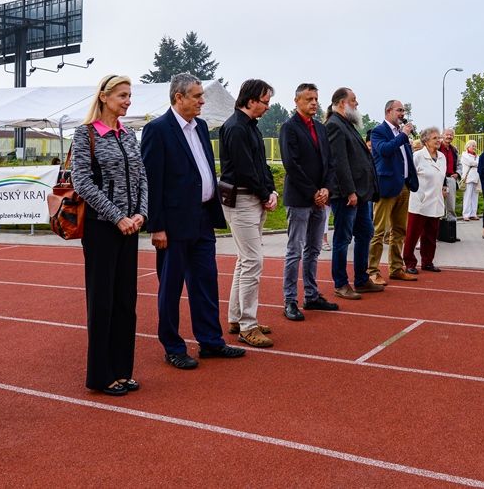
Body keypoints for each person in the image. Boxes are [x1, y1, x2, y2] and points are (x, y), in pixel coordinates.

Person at [141, 73, 246, 370]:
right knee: (171, 288)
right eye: (197, 96)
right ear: (179, 98)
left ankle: (211, 341)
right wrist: (157, 226)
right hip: (173, 225)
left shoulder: (200, 127)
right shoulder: (157, 130)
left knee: (205, 283)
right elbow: (153, 181)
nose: (202, 101)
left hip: (202, 219)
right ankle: (173, 346)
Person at [70, 75, 148, 396]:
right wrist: (118, 217)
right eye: (122, 95)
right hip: (103, 229)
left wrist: (141, 213)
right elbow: (82, 182)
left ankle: (122, 370)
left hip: (132, 228)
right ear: (104, 97)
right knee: (102, 302)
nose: (128, 101)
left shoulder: (129, 135)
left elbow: (142, 176)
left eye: (130, 96)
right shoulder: (85, 134)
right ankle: (101, 376)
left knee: (126, 302)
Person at [219, 79, 280, 347]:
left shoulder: (250, 127)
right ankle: (247, 324)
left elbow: (261, 165)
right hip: (242, 199)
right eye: (265, 101)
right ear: (251, 99)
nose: (267, 107)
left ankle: (237, 318)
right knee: (252, 261)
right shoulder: (234, 128)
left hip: (252, 198)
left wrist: (272, 191)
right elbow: (245, 169)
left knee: (245, 261)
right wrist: (265, 193)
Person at [279, 83, 339, 320]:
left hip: (320, 199)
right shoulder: (289, 128)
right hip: (300, 199)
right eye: (308, 99)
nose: (314, 102)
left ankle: (312, 296)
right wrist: (313, 191)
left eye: (316, 98)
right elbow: (291, 165)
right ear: (297, 101)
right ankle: (290, 300)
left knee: (313, 250)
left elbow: (329, 163)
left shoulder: (321, 128)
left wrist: (326, 189)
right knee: (295, 250)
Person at [325, 87, 384, 299]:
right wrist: (350, 191)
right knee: (342, 239)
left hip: (360, 195)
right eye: (353, 100)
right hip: (347, 196)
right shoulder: (334, 125)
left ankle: (361, 279)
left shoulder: (346, 125)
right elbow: (339, 162)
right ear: (342, 103)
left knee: (365, 233)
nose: (357, 103)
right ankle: (341, 283)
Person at [368, 100, 420, 283]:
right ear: (388, 111)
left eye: (403, 110)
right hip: (386, 187)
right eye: (399, 110)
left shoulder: (400, 133)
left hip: (403, 186)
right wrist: (403, 136)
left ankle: (396, 268)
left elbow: (407, 159)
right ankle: (372, 271)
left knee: (399, 231)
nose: (402, 113)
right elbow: (384, 151)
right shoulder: (379, 131)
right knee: (379, 231)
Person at [403, 127, 448, 273]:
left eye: (439, 138)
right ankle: (409, 263)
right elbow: (409, 176)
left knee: (430, 235)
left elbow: (441, 176)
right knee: (413, 235)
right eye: (435, 138)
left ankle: (427, 261)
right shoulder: (417, 156)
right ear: (426, 140)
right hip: (420, 201)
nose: (438, 141)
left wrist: (443, 188)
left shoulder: (442, 156)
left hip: (436, 200)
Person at [438, 128, 460, 225]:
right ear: (442, 135)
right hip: (438, 180)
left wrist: (458, 174)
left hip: (450, 179)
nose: (449, 136)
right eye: (447, 134)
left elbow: (459, 164)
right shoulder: (437, 147)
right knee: (439, 205)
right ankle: (438, 233)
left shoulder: (454, 150)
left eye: (451, 135)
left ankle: (451, 232)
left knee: (451, 206)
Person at [459, 139, 481, 220]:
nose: (474, 147)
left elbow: (478, 164)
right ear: (468, 147)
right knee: (467, 196)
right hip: (468, 178)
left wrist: (477, 163)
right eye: (473, 146)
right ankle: (465, 215)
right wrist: (477, 163)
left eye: (475, 146)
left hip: (476, 178)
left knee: (475, 196)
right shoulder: (464, 155)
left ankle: (473, 213)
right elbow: (471, 163)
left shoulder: (477, 156)